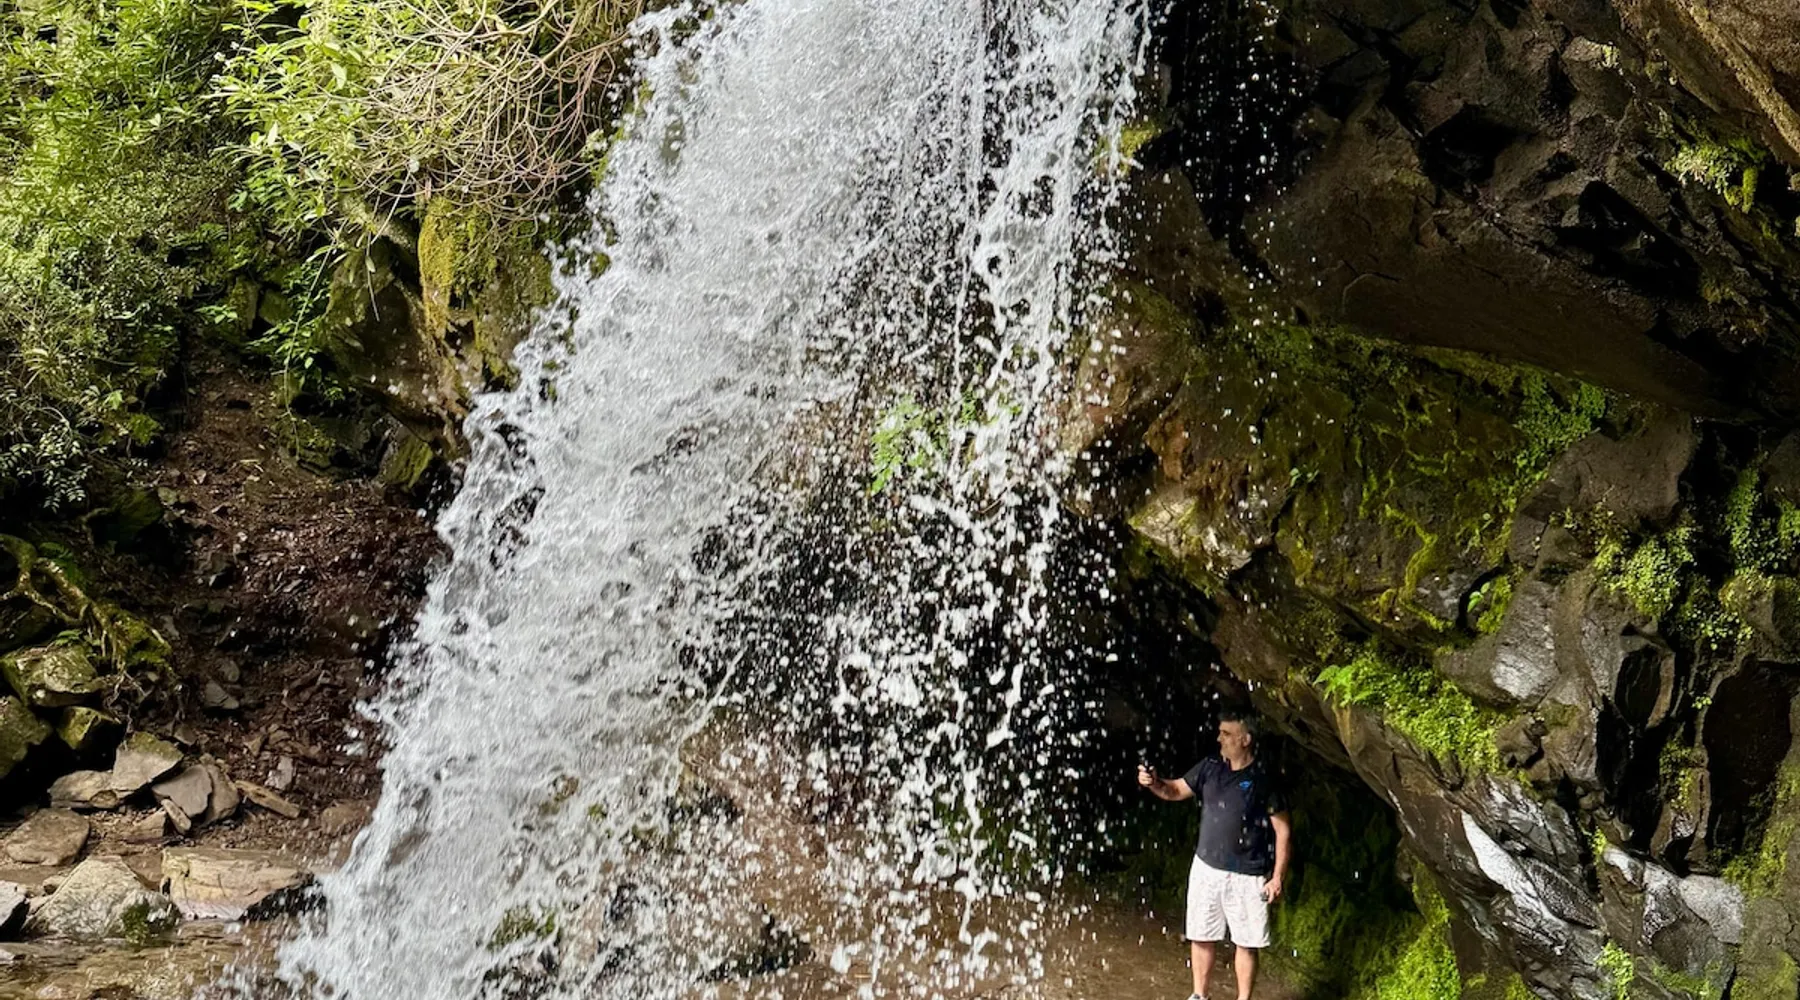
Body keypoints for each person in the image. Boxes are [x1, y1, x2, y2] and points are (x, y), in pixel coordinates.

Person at [1137, 707, 1292, 1000]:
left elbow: (1283, 831)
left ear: (1245, 739)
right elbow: (1175, 790)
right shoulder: (1209, 768)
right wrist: (1154, 782)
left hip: (1248, 873)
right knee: (1201, 934)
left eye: (1226, 733)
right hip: (1207, 868)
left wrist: (1277, 878)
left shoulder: (1263, 779)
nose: (1219, 738)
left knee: (1246, 942)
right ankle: (1200, 995)